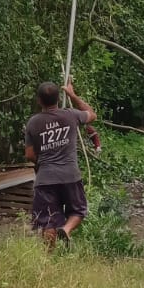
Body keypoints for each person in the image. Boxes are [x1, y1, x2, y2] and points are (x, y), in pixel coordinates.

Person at [24, 80, 97, 247]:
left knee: (48, 220)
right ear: (58, 98)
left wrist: (43, 162)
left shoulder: (33, 122)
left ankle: (49, 257)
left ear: (39, 100)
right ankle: (66, 228)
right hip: (70, 175)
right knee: (78, 211)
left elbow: (29, 154)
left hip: (46, 178)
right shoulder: (71, 115)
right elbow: (92, 114)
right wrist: (72, 95)